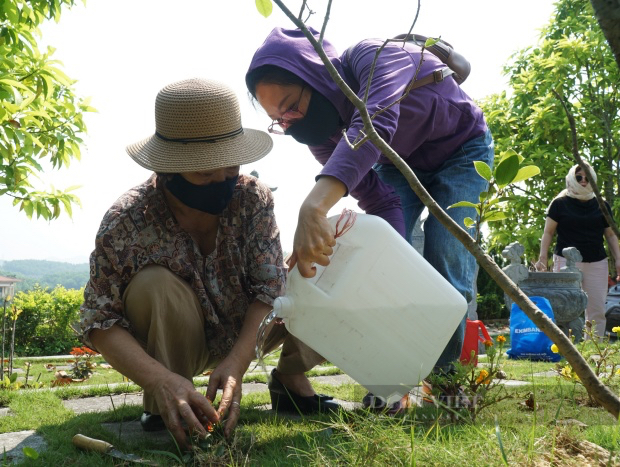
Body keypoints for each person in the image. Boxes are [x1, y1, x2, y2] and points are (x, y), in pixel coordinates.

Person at [79, 78, 339, 449]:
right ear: (170, 170)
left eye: (230, 167)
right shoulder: (128, 220)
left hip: (249, 326)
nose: (222, 180)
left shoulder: (252, 199)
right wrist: (158, 380)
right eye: (205, 173)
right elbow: (99, 322)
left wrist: (237, 362)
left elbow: (269, 289)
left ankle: (290, 380)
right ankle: (169, 398)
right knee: (154, 284)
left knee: (319, 264)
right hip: (179, 338)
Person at [245, 28, 494, 392]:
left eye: (291, 107)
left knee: (447, 259)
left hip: (462, 149)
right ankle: (396, 381)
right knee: (370, 269)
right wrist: (388, 267)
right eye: (280, 120)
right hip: (397, 163)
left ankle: (444, 387)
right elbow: (383, 203)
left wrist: (314, 206)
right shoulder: (327, 138)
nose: (291, 123)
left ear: (316, 74)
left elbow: (375, 121)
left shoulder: (374, 57)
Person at [535, 161, 620, 338]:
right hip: (566, 262)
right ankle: (563, 348)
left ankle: (594, 350)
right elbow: (548, 232)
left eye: (587, 178)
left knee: (596, 309)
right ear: (571, 178)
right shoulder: (559, 203)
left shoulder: (601, 204)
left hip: (596, 262)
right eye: (578, 177)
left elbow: (611, 235)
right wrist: (542, 258)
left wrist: (619, 259)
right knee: (563, 307)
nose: (583, 181)